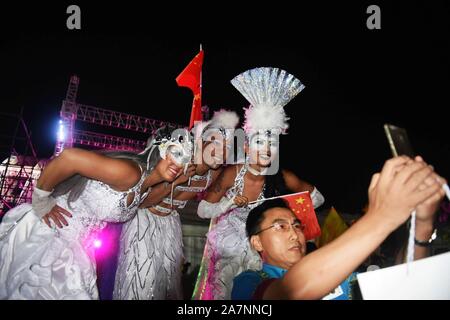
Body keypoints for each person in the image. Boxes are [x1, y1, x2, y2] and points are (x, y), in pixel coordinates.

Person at [0, 128, 192, 299]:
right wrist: (41, 200)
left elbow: (152, 203)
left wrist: (183, 179)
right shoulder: (130, 173)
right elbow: (69, 158)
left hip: (79, 247)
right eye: (176, 153)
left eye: (185, 159)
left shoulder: (144, 188)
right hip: (52, 234)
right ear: (159, 149)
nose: (179, 162)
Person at [231, 156, 446, 300]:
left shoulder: (341, 271)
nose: (294, 233)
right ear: (256, 241)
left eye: (297, 225)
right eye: (280, 226)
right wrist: (381, 217)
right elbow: (289, 292)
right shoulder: (249, 282)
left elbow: (404, 281)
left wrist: (422, 226)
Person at [192, 67, 325, 300]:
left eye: (271, 143)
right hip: (230, 247)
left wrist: (289, 208)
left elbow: (318, 198)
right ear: (245, 146)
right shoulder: (232, 173)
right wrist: (229, 203)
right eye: (259, 141)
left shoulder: (284, 177)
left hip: (265, 250)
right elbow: (203, 210)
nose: (265, 148)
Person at [112, 109, 240, 300]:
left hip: (171, 223)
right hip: (145, 220)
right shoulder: (182, 161)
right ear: (202, 142)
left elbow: (209, 204)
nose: (222, 153)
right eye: (217, 144)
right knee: (141, 282)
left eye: (227, 148)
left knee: (167, 285)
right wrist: (176, 182)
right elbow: (143, 202)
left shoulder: (214, 174)